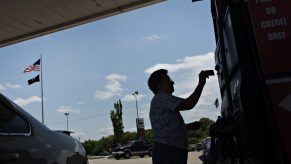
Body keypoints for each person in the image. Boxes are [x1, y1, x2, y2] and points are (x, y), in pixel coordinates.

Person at [148, 69, 209, 164]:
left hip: (169, 150)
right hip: (168, 151)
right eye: (168, 80)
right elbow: (189, 103)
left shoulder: (160, 100)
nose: (172, 82)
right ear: (158, 85)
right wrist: (201, 83)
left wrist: (188, 127)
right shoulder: (162, 98)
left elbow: (168, 128)